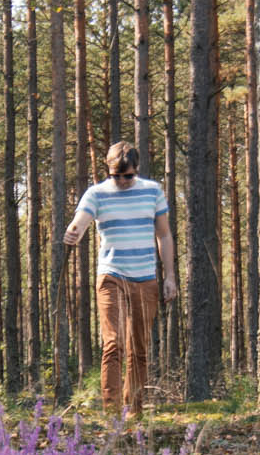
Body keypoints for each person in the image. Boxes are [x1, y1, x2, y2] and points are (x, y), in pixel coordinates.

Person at [63, 142, 176, 421]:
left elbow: (164, 235)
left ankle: (133, 413)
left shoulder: (152, 192)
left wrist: (170, 275)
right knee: (113, 343)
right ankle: (111, 414)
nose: (123, 181)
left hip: (146, 278)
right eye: (117, 176)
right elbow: (81, 220)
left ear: (136, 170)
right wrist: (73, 231)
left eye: (128, 175)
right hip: (111, 275)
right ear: (108, 170)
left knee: (138, 347)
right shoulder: (96, 194)